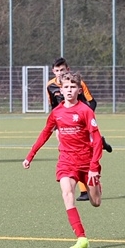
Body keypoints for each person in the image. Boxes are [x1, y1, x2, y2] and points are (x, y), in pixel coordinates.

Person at [24, 71, 103, 248]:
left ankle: (97, 185)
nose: (69, 90)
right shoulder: (57, 113)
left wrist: (94, 167)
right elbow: (45, 133)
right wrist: (30, 155)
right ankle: (81, 237)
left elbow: (97, 140)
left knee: (96, 202)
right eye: (66, 87)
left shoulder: (85, 111)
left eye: (73, 87)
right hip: (66, 161)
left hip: (87, 162)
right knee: (67, 193)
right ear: (61, 90)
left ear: (79, 90)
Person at [47, 57, 112, 201]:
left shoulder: (78, 83)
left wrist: (85, 118)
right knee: (69, 151)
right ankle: (83, 190)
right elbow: (53, 105)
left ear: (68, 69)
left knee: (86, 149)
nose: (60, 73)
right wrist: (56, 124)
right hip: (63, 121)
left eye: (62, 70)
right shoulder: (50, 86)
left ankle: (99, 145)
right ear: (53, 71)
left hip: (81, 121)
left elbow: (92, 101)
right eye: (57, 70)